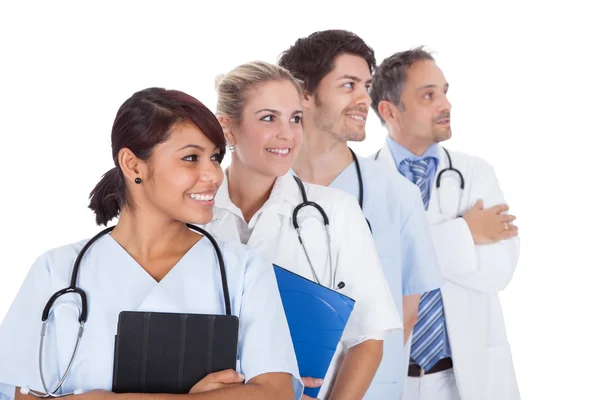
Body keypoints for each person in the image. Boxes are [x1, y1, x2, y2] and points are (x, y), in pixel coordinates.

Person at [0, 88, 303, 400]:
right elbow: (20, 392)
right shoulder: (56, 270)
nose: (213, 174)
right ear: (133, 165)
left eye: (214, 157)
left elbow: (275, 393)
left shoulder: (243, 269)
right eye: (190, 158)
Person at [203, 61, 403, 400]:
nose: (287, 133)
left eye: (295, 118)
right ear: (228, 129)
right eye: (269, 118)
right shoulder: (192, 217)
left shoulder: (335, 213)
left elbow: (367, 339)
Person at [278, 30, 443, 400]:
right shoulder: (265, 188)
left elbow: (406, 316)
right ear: (303, 93)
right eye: (348, 84)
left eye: (366, 86)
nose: (363, 99)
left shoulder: (397, 194)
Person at [369, 47, 520, 400]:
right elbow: (370, 276)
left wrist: (403, 251)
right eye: (428, 95)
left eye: (445, 91)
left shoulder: (476, 174)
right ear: (389, 111)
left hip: (463, 378)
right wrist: (465, 233)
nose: (445, 104)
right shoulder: (363, 181)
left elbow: (498, 269)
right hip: (391, 378)